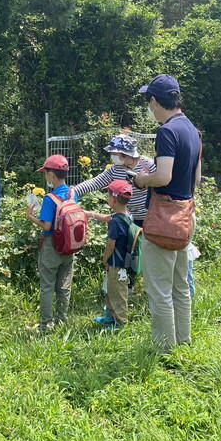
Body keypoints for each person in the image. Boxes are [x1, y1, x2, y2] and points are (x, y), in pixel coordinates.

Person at [133, 74, 201, 353]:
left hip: (163, 218)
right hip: (185, 215)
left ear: (154, 101)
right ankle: (183, 343)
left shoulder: (167, 132)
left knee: (159, 290)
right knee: (180, 286)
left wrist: (141, 179)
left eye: (149, 102)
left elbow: (162, 176)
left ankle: (164, 350)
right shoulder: (193, 131)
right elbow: (196, 179)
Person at [74, 134, 155, 292]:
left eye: (115, 154)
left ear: (125, 155)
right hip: (129, 218)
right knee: (128, 251)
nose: (112, 157)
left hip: (150, 216)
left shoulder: (148, 165)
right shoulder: (116, 169)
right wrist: (74, 191)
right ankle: (128, 285)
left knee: (150, 252)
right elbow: (96, 182)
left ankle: (152, 287)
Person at [26, 154, 77, 332]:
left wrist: (31, 216)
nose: (45, 176)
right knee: (64, 285)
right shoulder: (73, 193)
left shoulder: (49, 198)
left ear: (51, 175)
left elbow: (47, 225)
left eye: (46, 173)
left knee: (47, 286)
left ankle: (46, 325)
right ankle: (62, 320)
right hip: (69, 246)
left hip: (51, 246)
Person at [93, 180, 136, 327]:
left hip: (116, 264)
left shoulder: (115, 223)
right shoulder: (127, 216)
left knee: (118, 295)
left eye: (108, 195)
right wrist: (90, 214)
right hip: (123, 261)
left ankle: (121, 324)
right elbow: (108, 217)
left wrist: (105, 259)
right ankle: (110, 318)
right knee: (111, 291)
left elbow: (110, 245)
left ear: (113, 199)